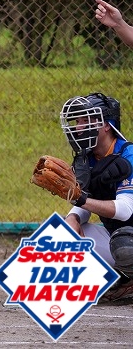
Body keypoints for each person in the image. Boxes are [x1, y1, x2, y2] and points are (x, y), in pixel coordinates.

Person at [59, 92, 133, 301]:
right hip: (118, 235)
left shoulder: (128, 155)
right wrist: (73, 217)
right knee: (63, 232)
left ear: (107, 125)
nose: (79, 127)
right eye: (77, 121)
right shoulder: (87, 159)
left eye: (86, 120)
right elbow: (85, 201)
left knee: (124, 242)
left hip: (127, 236)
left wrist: (82, 200)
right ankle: (120, 282)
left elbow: (125, 210)